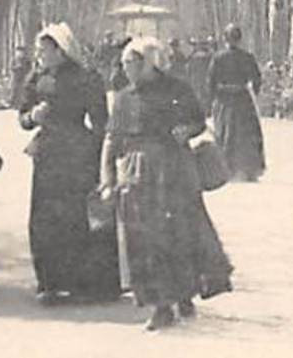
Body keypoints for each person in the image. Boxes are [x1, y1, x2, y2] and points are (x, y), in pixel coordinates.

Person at [98, 35, 233, 331]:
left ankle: (183, 293)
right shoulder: (123, 97)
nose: (126, 69)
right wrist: (107, 178)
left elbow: (199, 121)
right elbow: (112, 138)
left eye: (131, 63)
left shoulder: (177, 89)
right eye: (123, 64)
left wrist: (187, 130)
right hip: (137, 173)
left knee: (180, 233)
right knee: (144, 239)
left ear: (148, 63)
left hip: (174, 170)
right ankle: (160, 304)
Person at [20, 23, 119, 304]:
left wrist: (102, 160)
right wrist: (32, 117)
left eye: (45, 50)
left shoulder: (86, 78)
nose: (40, 55)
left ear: (61, 51)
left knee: (77, 216)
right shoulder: (36, 78)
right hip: (47, 153)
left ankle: (83, 282)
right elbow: (22, 117)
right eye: (39, 50)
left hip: (77, 154)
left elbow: (100, 122)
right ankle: (49, 282)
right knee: (45, 218)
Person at [207, 23, 266, 182]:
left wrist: (213, 99)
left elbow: (211, 81)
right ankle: (247, 168)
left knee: (226, 133)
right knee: (246, 134)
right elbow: (256, 79)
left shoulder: (218, 58)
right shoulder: (247, 57)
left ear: (225, 39)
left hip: (225, 99)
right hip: (241, 99)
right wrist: (253, 92)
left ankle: (227, 168)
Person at [9, 44, 34, 109]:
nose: (19, 54)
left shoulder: (27, 60)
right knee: (15, 91)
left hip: (23, 78)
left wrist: (24, 70)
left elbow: (29, 68)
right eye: (18, 52)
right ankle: (14, 104)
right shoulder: (14, 60)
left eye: (21, 52)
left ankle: (22, 104)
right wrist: (16, 68)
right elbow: (11, 68)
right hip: (16, 78)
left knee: (22, 91)